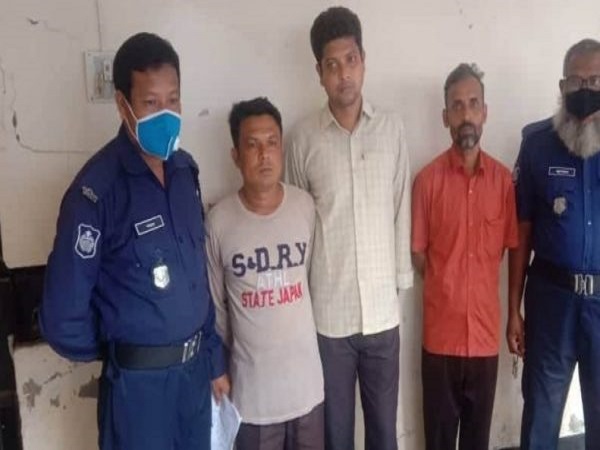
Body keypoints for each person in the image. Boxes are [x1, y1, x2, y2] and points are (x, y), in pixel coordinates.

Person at [39, 32, 228, 450]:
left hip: (194, 380)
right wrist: (122, 347)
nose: (166, 114)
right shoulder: (97, 191)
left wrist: (213, 358)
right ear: (122, 104)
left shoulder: (185, 172)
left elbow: (196, 278)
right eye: (151, 103)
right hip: (139, 392)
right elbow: (62, 317)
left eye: (173, 100)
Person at [285, 7, 413, 450]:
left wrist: (398, 285)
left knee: (384, 433)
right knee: (335, 435)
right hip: (328, 318)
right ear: (319, 73)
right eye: (332, 65)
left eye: (351, 60)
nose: (344, 74)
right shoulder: (303, 140)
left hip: (382, 314)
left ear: (364, 61)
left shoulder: (392, 130)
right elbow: (297, 227)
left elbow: (401, 207)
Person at [206, 97, 324, 450]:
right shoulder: (220, 221)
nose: (264, 155)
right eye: (252, 145)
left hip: (306, 391)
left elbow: (313, 281)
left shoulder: (304, 207)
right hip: (252, 399)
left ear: (281, 148)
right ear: (236, 155)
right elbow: (216, 308)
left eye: (272, 143)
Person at [411, 63, 518, 450]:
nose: (466, 114)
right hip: (441, 341)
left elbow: (506, 250)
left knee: (478, 442)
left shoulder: (504, 182)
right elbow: (419, 255)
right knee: (439, 442)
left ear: (485, 112)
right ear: (445, 117)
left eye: (473, 104)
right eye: (456, 106)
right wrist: (450, 287)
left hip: (485, 341)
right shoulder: (427, 182)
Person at [509, 38, 600, 450]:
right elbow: (521, 231)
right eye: (577, 81)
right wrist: (513, 308)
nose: (586, 89)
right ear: (562, 86)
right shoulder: (536, 144)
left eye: (595, 80)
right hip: (551, 304)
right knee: (540, 422)